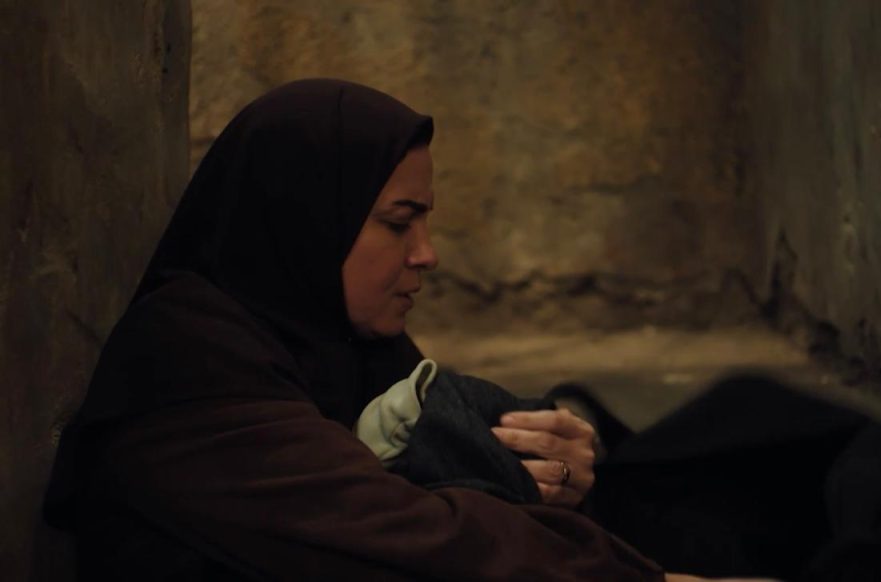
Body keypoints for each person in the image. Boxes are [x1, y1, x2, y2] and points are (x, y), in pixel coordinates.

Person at [45, 78, 745, 581]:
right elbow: (419, 540)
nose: (426, 254)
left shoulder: (346, 345)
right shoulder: (189, 362)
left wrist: (555, 466)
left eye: (425, 222)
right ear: (306, 222)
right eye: (398, 222)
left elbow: (461, 482)